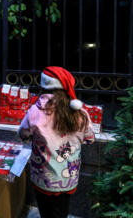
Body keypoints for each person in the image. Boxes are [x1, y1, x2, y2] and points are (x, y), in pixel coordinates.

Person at [18, 66, 95, 218]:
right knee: (61, 211)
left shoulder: (35, 111)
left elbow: (23, 134)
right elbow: (90, 139)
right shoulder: (81, 113)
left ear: (44, 86)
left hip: (42, 176)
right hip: (67, 176)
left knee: (45, 210)